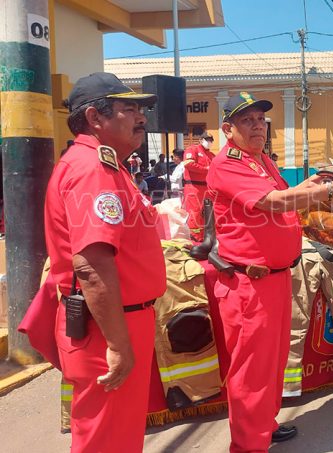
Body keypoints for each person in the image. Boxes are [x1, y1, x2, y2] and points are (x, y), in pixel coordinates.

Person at [206, 91, 333, 452]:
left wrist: (311, 186)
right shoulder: (229, 162)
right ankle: (248, 445)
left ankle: (263, 424)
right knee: (251, 370)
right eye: (247, 121)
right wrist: (328, 190)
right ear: (228, 129)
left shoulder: (259, 160)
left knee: (273, 362)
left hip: (274, 279)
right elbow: (274, 202)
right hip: (249, 284)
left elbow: (284, 195)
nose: (257, 126)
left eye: (261, 120)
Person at [45, 72, 166, 451]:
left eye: (141, 110)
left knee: (119, 436)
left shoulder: (108, 166)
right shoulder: (93, 169)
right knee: (106, 440)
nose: (141, 117)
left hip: (118, 319)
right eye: (129, 109)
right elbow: (92, 266)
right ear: (95, 117)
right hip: (109, 326)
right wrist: (117, 343)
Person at [182, 131, 215, 241]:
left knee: (208, 211)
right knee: (195, 211)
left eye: (211, 140)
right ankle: (195, 236)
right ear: (201, 140)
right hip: (193, 186)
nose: (209, 142)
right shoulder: (193, 150)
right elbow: (188, 164)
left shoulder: (211, 155)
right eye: (207, 140)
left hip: (207, 187)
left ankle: (206, 235)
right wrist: (206, 170)